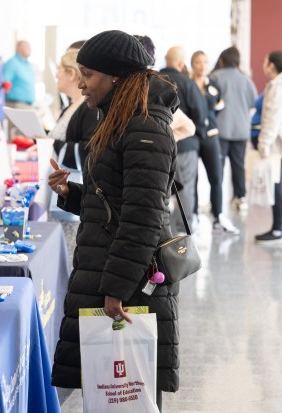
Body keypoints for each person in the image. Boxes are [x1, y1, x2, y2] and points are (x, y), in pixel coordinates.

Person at [48, 30, 180, 411]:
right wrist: (72, 193)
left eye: (87, 73)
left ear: (115, 76)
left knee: (130, 396)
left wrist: (117, 289)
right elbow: (117, 200)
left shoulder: (144, 128)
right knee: (110, 396)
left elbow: (143, 219)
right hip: (110, 272)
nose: (81, 83)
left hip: (131, 286)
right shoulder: (120, 119)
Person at [160, 46, 208, 235]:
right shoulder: (187, 82)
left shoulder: (155, 80)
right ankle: (183, 230)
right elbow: (200, 113)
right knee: (185, 187)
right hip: (185, 145)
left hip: (159, 145)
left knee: (163, 187)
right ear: (181, 63)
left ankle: (165, 228)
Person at [190, 51, 239, 234]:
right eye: (197, 62)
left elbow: (217, 109)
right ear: (192, 64)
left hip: (211, 136)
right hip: (193, 137)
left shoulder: (214, 85)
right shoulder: (188, 84)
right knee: (192, 178)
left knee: (216, 177)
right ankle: (193, 215)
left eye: (205, 61)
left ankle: (218, 215)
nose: (202, 65)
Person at [210, 46, 257, 211]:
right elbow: (254, 102)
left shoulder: (215, 77)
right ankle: (240, 197)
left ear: (222, 59)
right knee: (239, 166)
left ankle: (217, 201)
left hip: (221, 130)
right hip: (241, 130)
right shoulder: (246, 80)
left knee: (218, 167)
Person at [255, 51, 282, 243]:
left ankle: (278, 228)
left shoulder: (276, 87)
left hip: (276, 146)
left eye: (265, 61)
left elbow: (272, 120)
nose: (263, 64)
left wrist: (263, 146)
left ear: (272, 65)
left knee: (277, 186)